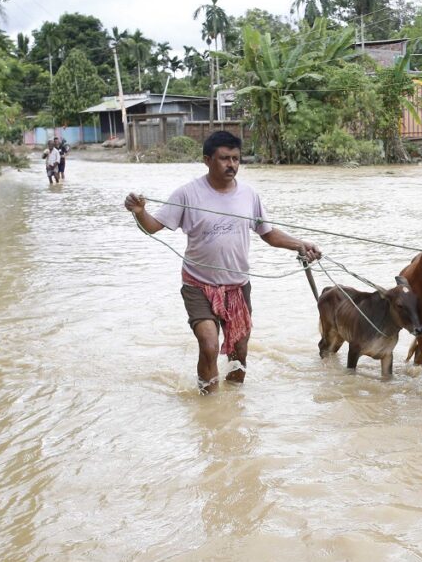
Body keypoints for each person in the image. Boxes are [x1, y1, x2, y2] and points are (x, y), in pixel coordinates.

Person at [124, 130, 322, 393]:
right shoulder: (187, 194)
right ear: (207, 160)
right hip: (198, 284)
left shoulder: (249, 195)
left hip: (237, 286)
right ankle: (208, 404)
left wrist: (300, 244)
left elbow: (268, 233)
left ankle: (234, 404)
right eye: (224, 158)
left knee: (240, 351)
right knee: (209, 345)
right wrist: (140, 212)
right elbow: (152, 226)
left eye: (236, 159)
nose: (232, 165)